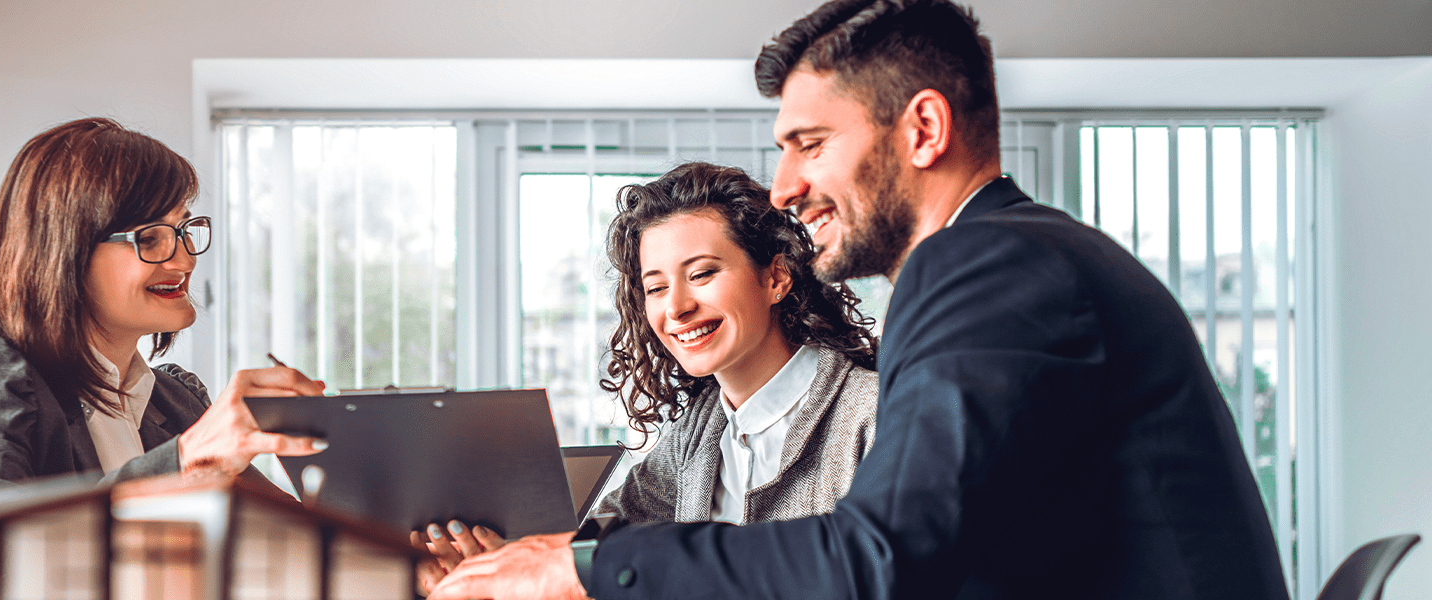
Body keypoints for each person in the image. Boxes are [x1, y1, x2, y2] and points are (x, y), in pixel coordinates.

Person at [430, 0, 1289, 598]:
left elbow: (874, 564)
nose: (786, 187)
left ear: (922, 129)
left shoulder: (985, 266)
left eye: (810, 144)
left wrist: (583, 574)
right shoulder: (1021, 254)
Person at [415, 163, 883, 591]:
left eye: (701, 274)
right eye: (656, 287)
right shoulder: (699, 434)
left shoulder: (871, 413)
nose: (676, 307)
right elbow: (600, 546)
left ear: (776, 278)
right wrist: (495, 560)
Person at [0, 117, 324, 512]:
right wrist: (185, 460)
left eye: (182, 230)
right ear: (64, 249)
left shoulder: (176, 404)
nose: (184, 261)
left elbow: (297, 538)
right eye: (149, 237)